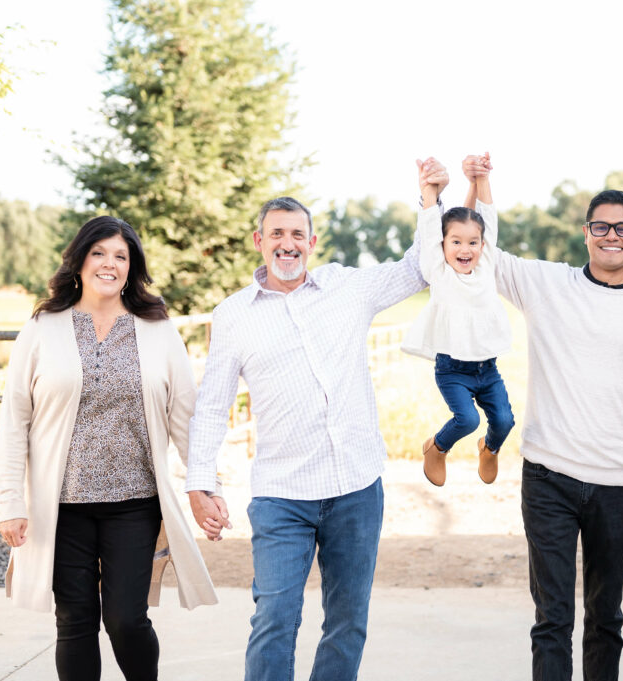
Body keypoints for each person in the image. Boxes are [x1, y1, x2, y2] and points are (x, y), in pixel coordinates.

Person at [184, 166, 444, 681]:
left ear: (312, 241)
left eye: (297, 234)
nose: (287, 244)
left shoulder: (348, 288)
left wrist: (430, 201)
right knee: (275, 620)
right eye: (276, 234)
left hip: (356, 487)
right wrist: (199, 482)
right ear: (259, 241)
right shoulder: (234, 314)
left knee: (347, 622)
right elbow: (212, 405)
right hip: (283, 493)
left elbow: (419, 267)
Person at [463, 155, 623, 680]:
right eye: (602, 227)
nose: (612, 236)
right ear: (586, 233)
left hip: (617, 486)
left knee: (605, 618)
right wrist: (480, 183)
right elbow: (480, 250)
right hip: (547, 478)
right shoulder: (547, 285)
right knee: (551, 618)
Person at [0, 216, 219, 681]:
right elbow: (14, 420)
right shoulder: (42, 328)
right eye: (99, 253)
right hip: (61, 506)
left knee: (125, 619)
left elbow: (186, 418)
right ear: (79, 261)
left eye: (121, 256)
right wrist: (10, 503)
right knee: (74, 622)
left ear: (131, 267)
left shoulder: (156, 328)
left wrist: (205, 487)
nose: (109, 264)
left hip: (134, 505)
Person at [402, 152, 515, 486]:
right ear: (442, 244)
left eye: (472, 242)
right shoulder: (438, 270)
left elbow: (486, 217)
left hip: (487, 368)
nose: (466, 249)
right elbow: (429, 227)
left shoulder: (485, 264)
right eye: (455, 242)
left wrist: (481, 178)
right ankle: (436, 447)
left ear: (482, 245)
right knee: (466, 420)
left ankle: (489, 449)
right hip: (452, 369)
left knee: (505, 421)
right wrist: (428, 192)